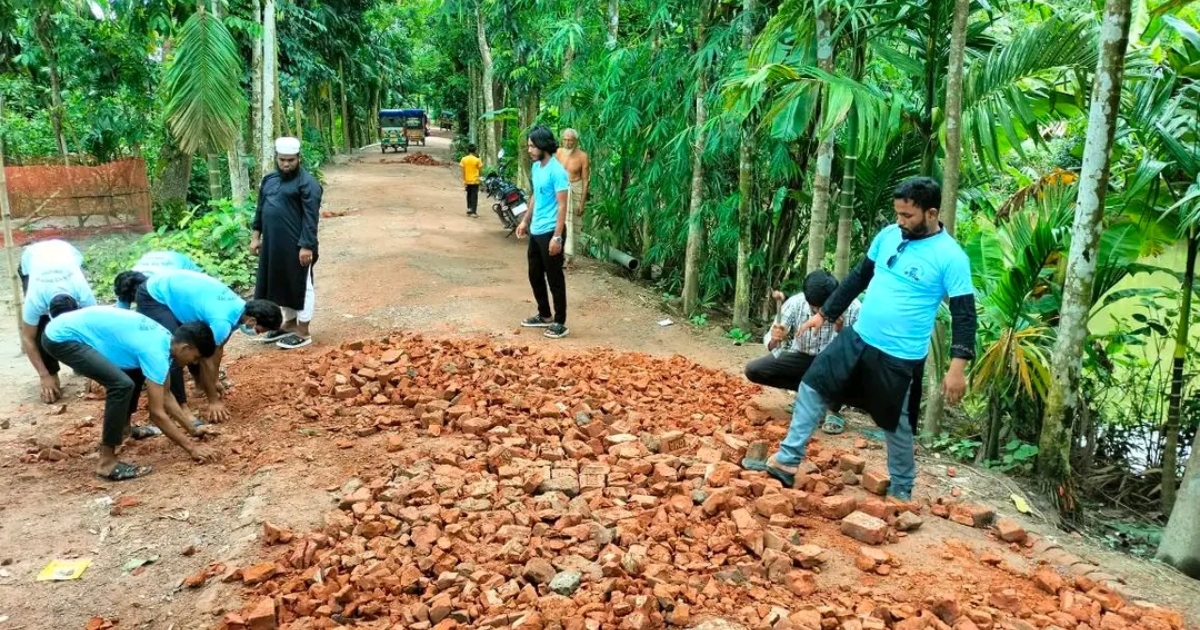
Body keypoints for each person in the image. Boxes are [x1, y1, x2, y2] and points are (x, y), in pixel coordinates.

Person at [747, 177, 977, 501]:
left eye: (907, 216)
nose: (900, 222)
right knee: (813, 383)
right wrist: (824, 314)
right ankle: (786, 462)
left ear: (931, 213)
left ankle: (901, 489)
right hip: (858, 338)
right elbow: (858, 278)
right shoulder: (888, 236)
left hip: (900, 355)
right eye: (897, 214)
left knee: (895, 423)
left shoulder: (950, 258)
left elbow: (965, 314)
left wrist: (958, 367)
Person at [41, 299, 218, 481]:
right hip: (60, 338)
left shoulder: (165, 340)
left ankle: (124, 430)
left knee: (127, 377)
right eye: (195, 357)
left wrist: (192, 430)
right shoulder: (155, 351)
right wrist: (191, 448)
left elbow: (165, 395)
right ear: (185, 347)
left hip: (69, 328)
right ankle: (106, 463)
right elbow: (157, 413)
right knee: (121, 385)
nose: (194, 363)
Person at [120, 269, 282, 422]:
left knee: (196, 343)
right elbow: (206, 357)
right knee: (175, 350)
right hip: (154, 295)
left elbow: (217, 348)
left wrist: (214, 380)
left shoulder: (238, 310)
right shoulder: (223, 321)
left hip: (175, 292)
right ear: (252, 320)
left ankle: (200, 386)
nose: (260, 333)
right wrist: (213, 400)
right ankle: (181, 406)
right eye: (262, 329)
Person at [744, 270, 862, 434]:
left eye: (827, 306)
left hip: (835, 364)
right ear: (808, 301)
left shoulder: (854, 307)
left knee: (847, 366)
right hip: (803, 359)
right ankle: (810, 397)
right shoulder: (795, 304)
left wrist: (840, 331)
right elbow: (774, 347)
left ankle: (832, 409)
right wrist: (776, 340)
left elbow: (859, 352)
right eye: (817, 308)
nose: (822, 312)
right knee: (754, 369)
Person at [252, 136, 322, 349]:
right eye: (282, 160)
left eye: (291, 160)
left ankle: (303, 331)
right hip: (273, 245)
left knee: (301, 285)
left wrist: (306, 245)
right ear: (277, 158)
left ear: (298, 158)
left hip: (298, 246)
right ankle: (289, 324)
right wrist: (255, 237)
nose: (286, 164)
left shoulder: (308, 183)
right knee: (281, 284)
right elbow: (261, 209)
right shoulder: (269, 180)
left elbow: (311, 218)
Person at [17, 239, 98, 403]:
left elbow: (95, 330)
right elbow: (27, 337)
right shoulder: (35, 300)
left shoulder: (83, 294)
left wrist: (97, 372)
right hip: (32, 259)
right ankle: (51, 371)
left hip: (66, 253)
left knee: (86, 328)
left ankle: (82, 363)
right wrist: (44, 375)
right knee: (40, 330)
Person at [515, 126, 571, 339]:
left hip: (551, 231)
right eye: (528, 145)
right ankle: (544, 314)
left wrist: (557, 236)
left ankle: (560, 321)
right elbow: (535, 196)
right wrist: (525, 221)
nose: (529, 149)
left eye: (532, 145)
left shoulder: (557, 171)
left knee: (554, 277)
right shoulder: (537, 167)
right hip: (537, 230)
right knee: (534, 273)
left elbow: (562, 206)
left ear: (543, 146)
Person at [114, 250, 202, 308]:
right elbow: (121, 313)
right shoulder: (126, 285)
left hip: (182, 265)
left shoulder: (165, 282)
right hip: (156, 259)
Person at [555, 129, 590, 267]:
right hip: (559, 190)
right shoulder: (557, 153)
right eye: (566, 139)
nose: (568, 142)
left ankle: (568, 257)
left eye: (571, 140)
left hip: (575, 189)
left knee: (573, 224)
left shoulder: (583, 156)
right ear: (562, 140)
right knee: (557, 221)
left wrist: (582, 203)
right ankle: (556, 254)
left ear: (576, 141)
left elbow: (586, 180)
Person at [460, 144, 483, 218]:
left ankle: (469, 208)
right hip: (475, 180)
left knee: (469, 194)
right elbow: (480, 171)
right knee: (474, 196)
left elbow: (463, 171)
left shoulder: (464, 159)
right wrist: (479, 177)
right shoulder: (477, 160)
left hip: (467, 180)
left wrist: (464, 180)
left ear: (468, 150)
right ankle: (474, 211)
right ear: (475, 151)